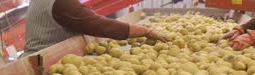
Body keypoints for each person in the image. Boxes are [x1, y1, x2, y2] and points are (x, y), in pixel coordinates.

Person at [22, 0, 170, 57]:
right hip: (40, 63)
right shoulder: (60, 2)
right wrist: (145, 31)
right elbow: (100, 25)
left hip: (50, 58)